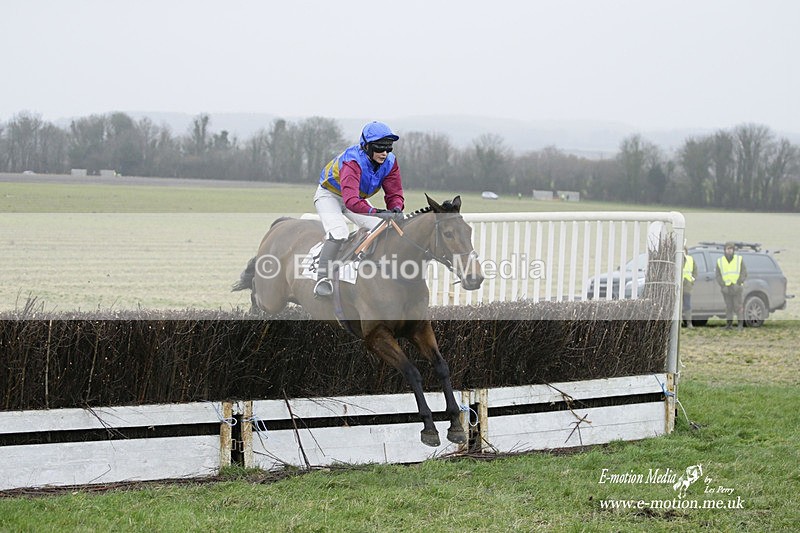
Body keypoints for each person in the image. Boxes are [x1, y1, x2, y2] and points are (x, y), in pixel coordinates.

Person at [312, 121, 405, 297]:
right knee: (339, 232)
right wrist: (378, 212)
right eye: (380, 148)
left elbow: (394, 193)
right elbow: (351, 202)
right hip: (329, 195)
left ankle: (369, 270)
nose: (384, 153)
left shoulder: (390, 162)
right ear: (367, 146)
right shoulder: (352, 161)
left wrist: (396, 209)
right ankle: (322, 279)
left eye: (388, 148)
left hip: (355, 198)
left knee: (382, 227)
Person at [715, 241, 748, 330]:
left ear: (733, 250)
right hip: (726, 288)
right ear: (724, 250)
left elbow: (744, 273)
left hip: (736, 287)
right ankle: (729, 325)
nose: (729, 251)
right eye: (727, 249)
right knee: (728, 307)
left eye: (731, 249)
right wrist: (723, 286)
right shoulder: (720, 261)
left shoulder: (739, 259)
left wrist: (738, 283)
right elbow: (718, 275)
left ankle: (740, 325)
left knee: (738, 306)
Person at [682, 246, 698, 327]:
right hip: (678, 286)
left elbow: (695, 271)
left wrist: (692, 280)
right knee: (676, 306)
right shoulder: (676, 259)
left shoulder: (690, 259)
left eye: (684, 250)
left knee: (687, 305)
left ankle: (689, 322)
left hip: (687, 286)